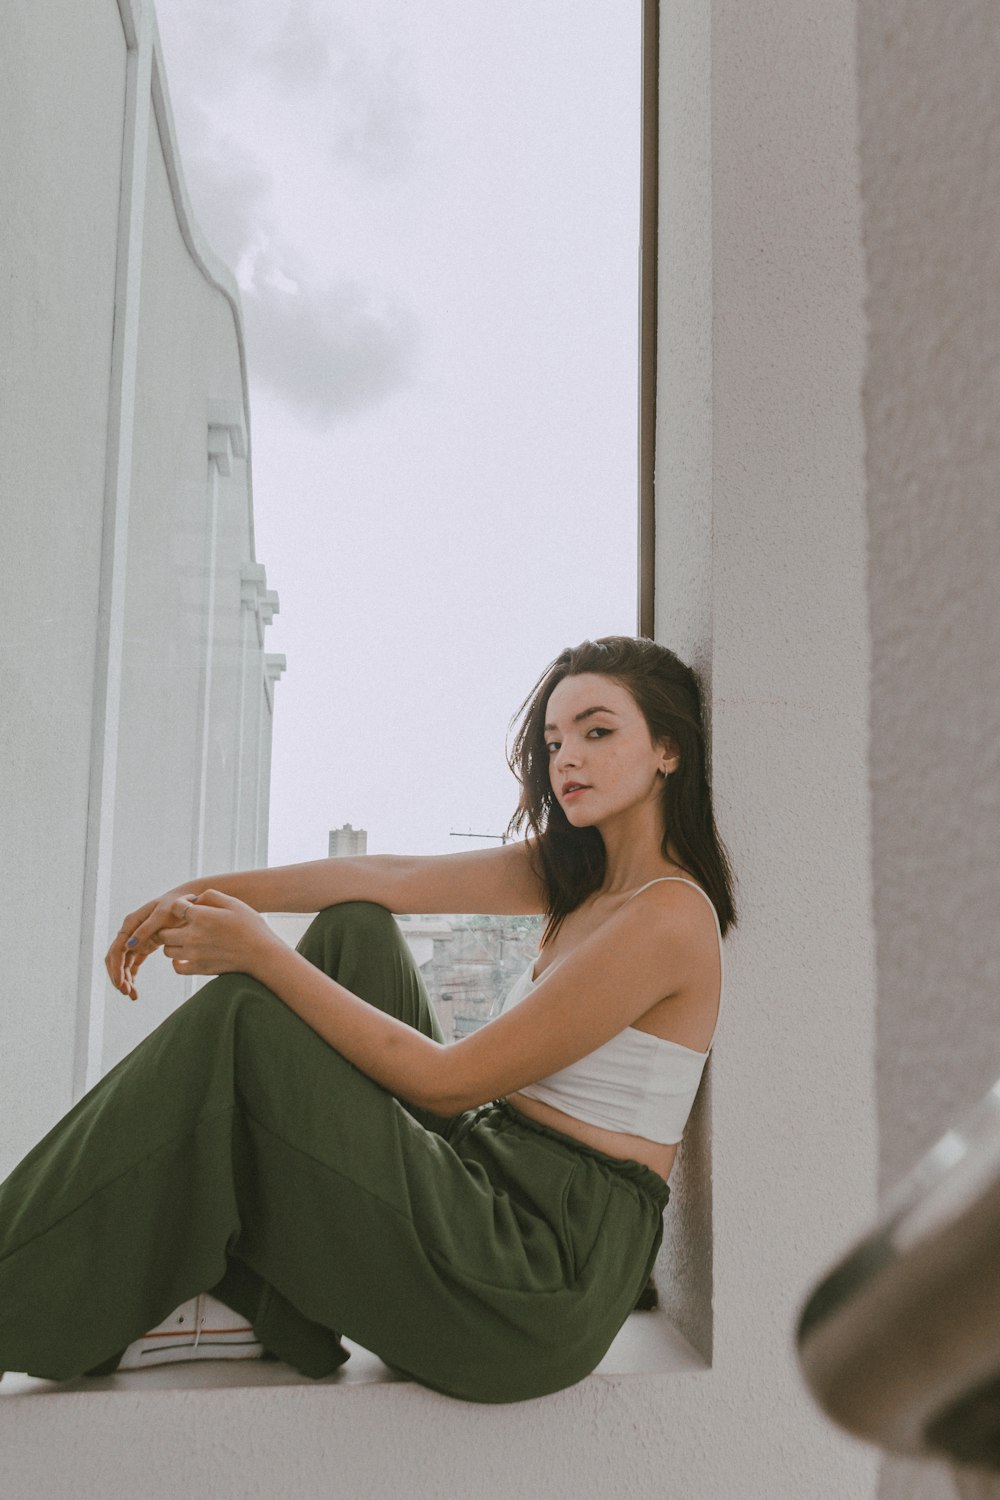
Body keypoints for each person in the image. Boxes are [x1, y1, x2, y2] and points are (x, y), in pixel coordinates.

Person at [0, 635, 736, 1403]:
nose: (567, 760)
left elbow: (448, 1082)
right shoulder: (580, 876)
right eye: (554, 741)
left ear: (668, 750)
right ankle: (266, 1307)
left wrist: (260, 953)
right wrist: (201, 890)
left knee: (246, 1021)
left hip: (534, 1274)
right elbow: (385, 875)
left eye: (597, 731)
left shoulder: (668, 920)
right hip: (488, 1175)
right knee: (359, 928)